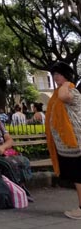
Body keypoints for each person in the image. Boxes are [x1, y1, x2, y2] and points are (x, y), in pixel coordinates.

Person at [46, 61, 81, 220]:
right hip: (67, 146)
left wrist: (66, 83)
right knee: (76, 177)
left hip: (75, 142)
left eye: (59, 74)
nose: (55, 77)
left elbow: (63, 96)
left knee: (79, 176)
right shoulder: (58, 92)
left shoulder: (70, 90)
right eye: (54, 75)